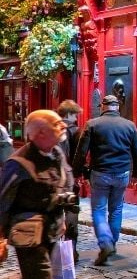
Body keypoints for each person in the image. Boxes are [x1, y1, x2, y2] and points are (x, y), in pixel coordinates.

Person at [0, 110, 72, 279]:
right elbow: (2, 201)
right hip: (27, 233)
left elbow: (63, 182)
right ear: (40, 132)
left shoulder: (56, 153)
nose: (63, 125)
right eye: (56, 124)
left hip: (51, 228)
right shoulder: (17, 163)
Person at [72, 95, 137, 265]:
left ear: (103, 106)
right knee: (116, 209)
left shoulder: (92, 124)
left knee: (98, 210)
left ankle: (105, 242)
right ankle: (112, 244)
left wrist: (77, 172)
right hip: (122, 173)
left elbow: (82, 152)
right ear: (117, 107)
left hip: (100, 172)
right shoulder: (129, 125)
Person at [55, 100, 82, 263]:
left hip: (52, 179)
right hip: (68, 178)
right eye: (75, 114)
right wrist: (78, 175)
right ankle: (71, 251)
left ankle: (53, 250)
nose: (76, 117)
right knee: (71, 212)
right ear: (70, 114)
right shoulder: (75, 131)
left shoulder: (51, 129)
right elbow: (78, 156)